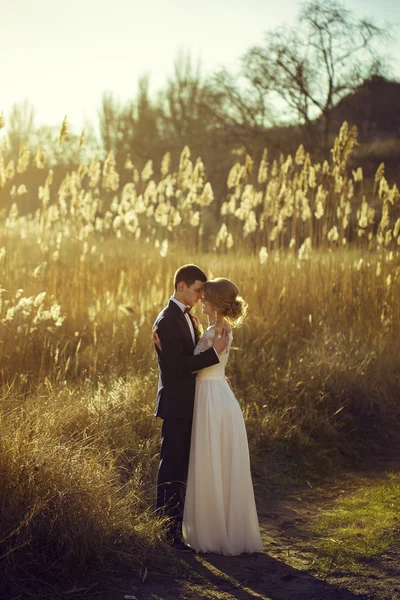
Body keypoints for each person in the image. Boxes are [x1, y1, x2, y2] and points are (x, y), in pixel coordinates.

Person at [155, 277, 263, 556]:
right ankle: (211, 529)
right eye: (198, 292)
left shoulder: (218, 332)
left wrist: (165, 350)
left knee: (211, 462)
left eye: (205, 295)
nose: (200, 298)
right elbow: (187, 363)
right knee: (210, 463)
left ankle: (213, 533)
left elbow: (191, 366)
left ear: (215, 303)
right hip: (209, 397)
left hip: (212, 400)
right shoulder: (211, 327)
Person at [152, 264, 228, 552]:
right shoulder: (168, 319)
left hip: (191, 403)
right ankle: (166, 531)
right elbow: (179, 366)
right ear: (181, 286)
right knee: (171, 466)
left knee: (182, 467)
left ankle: (177, 526)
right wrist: (213, 354)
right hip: (175, 405)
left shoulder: (187, 318)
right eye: (197, 290)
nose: (200, 296)